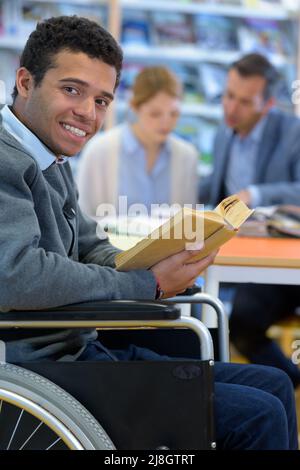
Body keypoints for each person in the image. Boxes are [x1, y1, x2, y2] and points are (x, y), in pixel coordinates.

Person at [0, 16, 297, 450]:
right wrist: (147, 284)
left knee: (272, 383)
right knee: (259, 414)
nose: (87, 112)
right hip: (48, 371)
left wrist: (159, 262)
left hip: (84, 352)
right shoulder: (9, 161)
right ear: (25, 82)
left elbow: (87, 246)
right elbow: (18, 275)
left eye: (102, 100)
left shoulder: (48, 157)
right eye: (72, 90)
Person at [199, 53, 300, 387]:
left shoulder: (292, 132)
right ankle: (211, 389)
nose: (231, 108)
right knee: (198, 304)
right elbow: (214, 193)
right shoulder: (222, 135)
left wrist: (255, 195)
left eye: (244, 101)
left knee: (241, 319)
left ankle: (287, 383)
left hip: (280, 266)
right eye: (228, 95)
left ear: (268, 103)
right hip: (233, 257)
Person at [77, 65, 198, 217]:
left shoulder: (186, 156)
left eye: (174, 114)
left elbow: (188, 223)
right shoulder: (99, 151)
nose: (166, 123)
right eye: (155, 114)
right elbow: (82, 219)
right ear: (134, 107)